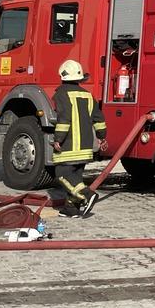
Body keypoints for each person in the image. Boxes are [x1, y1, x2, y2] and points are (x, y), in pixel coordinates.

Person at [52, 59, 106, 217]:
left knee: (61, 174)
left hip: (69, 145)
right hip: (86, 146)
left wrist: (58, 139)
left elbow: (64, 119)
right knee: (75, 176)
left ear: (62, 76)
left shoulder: (61, 94)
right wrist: (102, 137)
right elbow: (99, 119)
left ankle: (87, 195)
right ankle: (71, 209)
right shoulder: (88, 95)